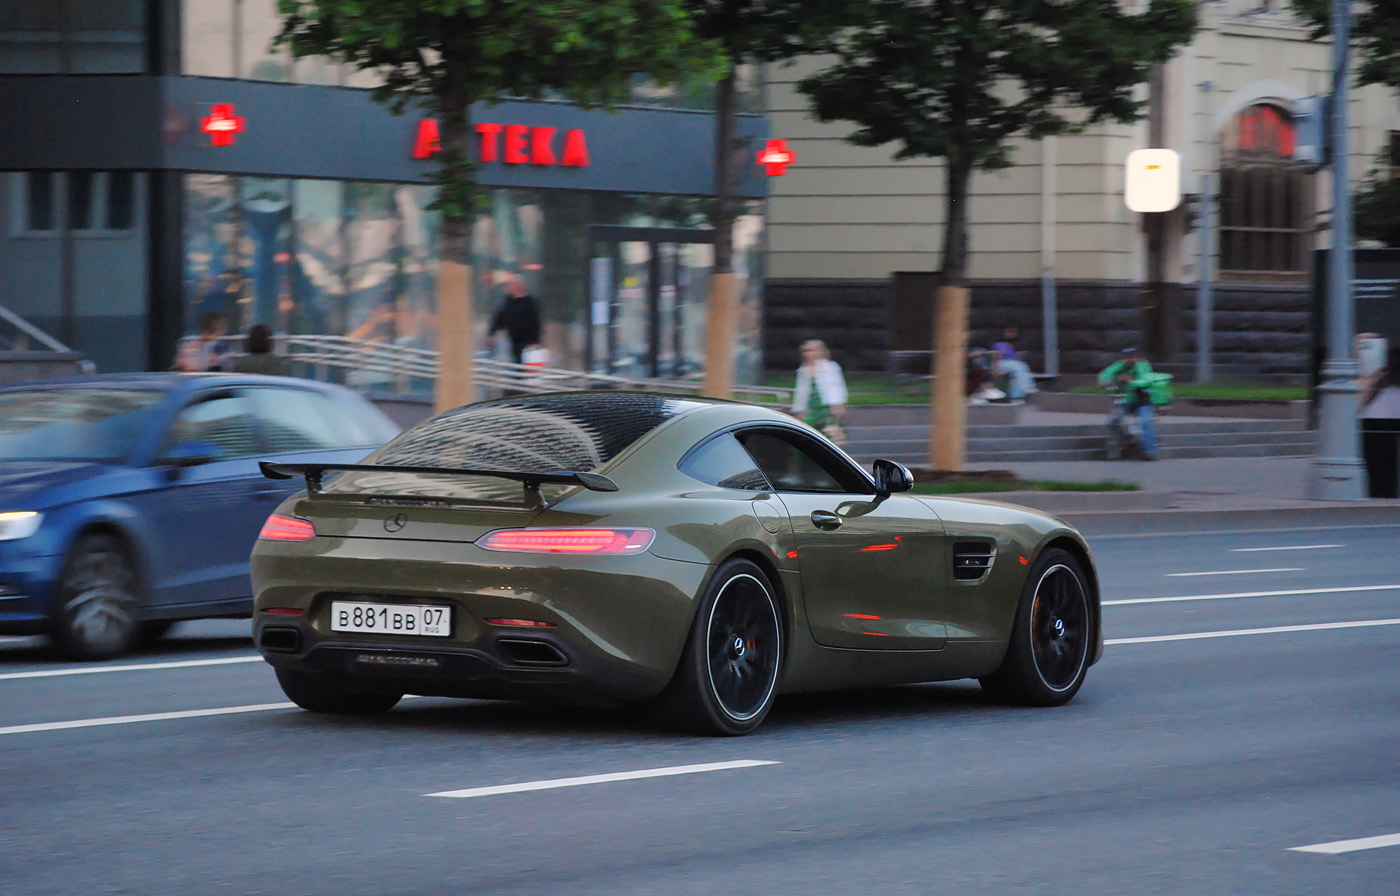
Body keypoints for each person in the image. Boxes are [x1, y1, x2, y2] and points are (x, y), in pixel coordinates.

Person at [1098, 346, 1158, 460]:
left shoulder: (1143, 365)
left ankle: (1149, 451)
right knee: (1113, 420)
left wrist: (1130, 380)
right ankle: (1118, 446)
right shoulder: (1120, 365)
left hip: (1142, 401)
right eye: (1127, 357)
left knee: (1146, 422)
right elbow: (1107, 373)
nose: (1129, 360)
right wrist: (1105, 381)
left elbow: (1144, 379)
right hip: (1126, 400)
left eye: (1133, 357)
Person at [1360, 345, 1400, 498]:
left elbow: (1367, 400)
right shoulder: (1381, 383)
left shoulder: (1379, 381)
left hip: (1373, 422)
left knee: (1378, 466)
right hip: (1381, 421)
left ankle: (1380, 493)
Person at [791, 339, 849, 444]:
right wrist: (799, 410)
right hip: (812, 411)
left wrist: (837, 407)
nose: (808, 354)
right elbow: (801, 392)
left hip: (826, 410)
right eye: (805, 351)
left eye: (811, 350)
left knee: (829, 440)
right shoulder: (803, 370)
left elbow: (836, 388)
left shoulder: (830, 367)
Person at [487, 274, 543, 364]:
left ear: (518, 285)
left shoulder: (531, 302)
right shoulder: (508, 301)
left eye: (510, 284)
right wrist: (491, 333)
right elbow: (499, 317)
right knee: (513, 364)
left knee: (527, 366)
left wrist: (535, 341)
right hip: (512, 341)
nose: (508, 287)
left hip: (528, 342)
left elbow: (536, 322)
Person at [992, 326, 1036, 401]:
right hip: (1003, 363)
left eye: (1013, 332)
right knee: (1019, 367)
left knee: (1020, 369)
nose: (1011, 334)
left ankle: (1016, 396)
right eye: (1009, 332)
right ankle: (1027, 387)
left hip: (1016, 363)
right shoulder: (999, 344)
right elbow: (995, 357)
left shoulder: (1020, 344)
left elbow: (1021, 357)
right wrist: (995, 369)